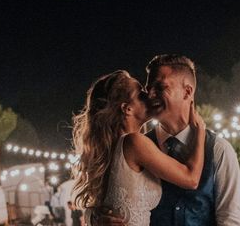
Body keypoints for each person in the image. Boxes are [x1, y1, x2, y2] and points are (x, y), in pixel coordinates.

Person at [96, 55, 240, 226]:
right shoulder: (138, 148)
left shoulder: (219, 150)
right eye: (148, 88)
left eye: (160, 87)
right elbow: (107, 196)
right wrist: (99, 219)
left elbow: (231, 221)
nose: (150, 94)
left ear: (187, 92)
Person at [71, 69, 206, 226]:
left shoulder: (113, 148)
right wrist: (200, 132)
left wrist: (94, 218)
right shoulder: (134, 142)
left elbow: (98, 204)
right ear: (127, 109)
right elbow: (191, 179)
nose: (149, 96)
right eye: (141, 94)